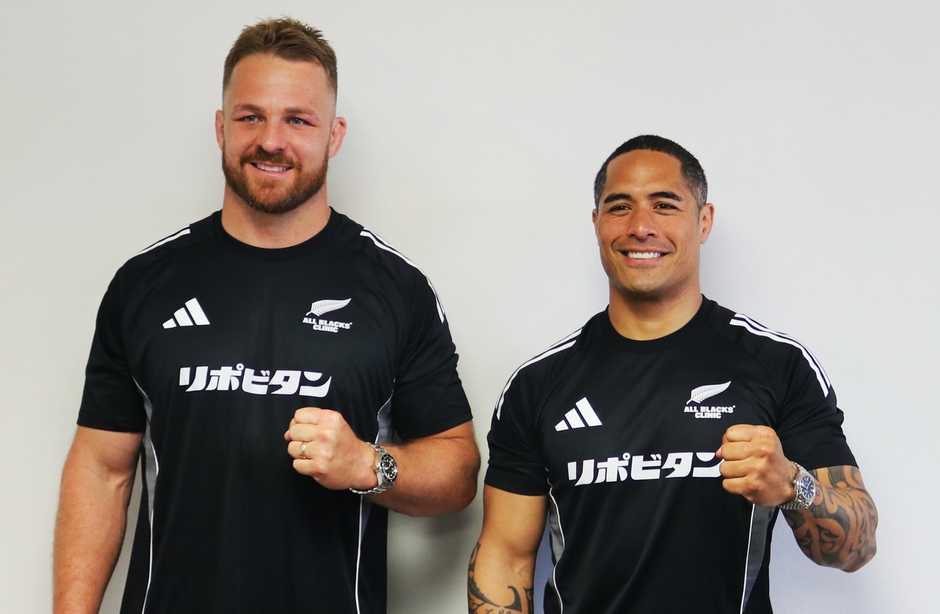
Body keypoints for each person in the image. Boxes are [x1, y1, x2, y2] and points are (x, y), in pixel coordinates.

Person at [53, 18, 480, 614]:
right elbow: (102, 470)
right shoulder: (144, 284)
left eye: (298, 120)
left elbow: (459, 471)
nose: (271, 141)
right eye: (251, 116)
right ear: (221, 128)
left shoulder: (396, 290)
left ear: (334, 136)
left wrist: (367, 463)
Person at [469, 135, 877, 614]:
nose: (641, 227)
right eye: (620, 207)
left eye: (664, 205)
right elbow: (505, 557)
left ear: (703, 221)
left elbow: (857, 548)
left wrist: (792, 484)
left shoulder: (777, 364)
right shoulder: (537, 384)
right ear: (597, 223)